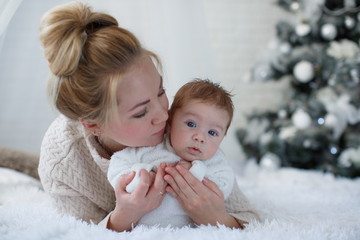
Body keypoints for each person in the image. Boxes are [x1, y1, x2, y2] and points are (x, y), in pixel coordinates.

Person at [38, 1, 260, 232]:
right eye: (141, 112)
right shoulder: (63, 161)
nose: (164, 115)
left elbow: (250, 217)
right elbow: (75, 233)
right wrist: (123, 217)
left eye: (161, 92)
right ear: (93, 124)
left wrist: (216, 216)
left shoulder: (182, 128)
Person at [108, 79, 237, 227]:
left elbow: (224, 185)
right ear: (170, 122)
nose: (200, 137)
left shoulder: (215, 160)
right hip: (143, 232)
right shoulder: (151, 147)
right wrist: (140, 177)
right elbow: (118, 164)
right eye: (191, 124)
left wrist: (196, 174)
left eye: (212, 133)